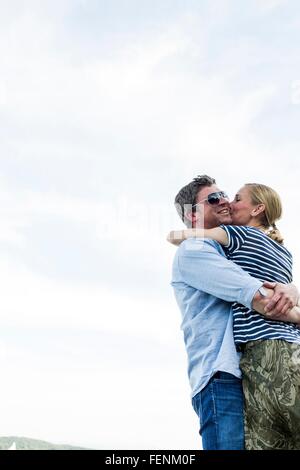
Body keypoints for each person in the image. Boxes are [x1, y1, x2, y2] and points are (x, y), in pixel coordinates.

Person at [170, 175, 299, 450]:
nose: (226, 201)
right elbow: (263, 299)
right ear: (192, 215)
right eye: (214, 199)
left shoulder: (235, 249)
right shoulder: (195, 249)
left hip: (252, 370)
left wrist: (293, 288)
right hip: (222, 378)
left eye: (226, 195)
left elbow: (274, 279)